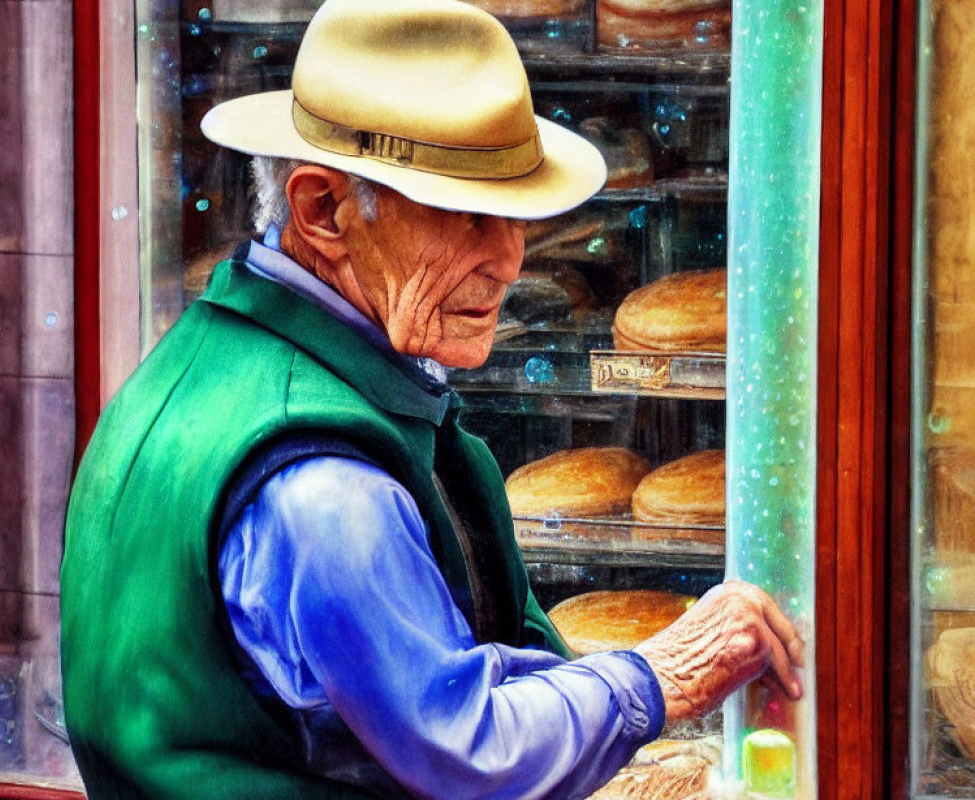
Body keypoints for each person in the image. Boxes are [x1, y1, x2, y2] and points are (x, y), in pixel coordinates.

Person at [60, 0, 804, 798]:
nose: (509, 257)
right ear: (323, 211)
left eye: (517, 215)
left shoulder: (215, 358)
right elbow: (467, 751)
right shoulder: (323, 488)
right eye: (465, 214)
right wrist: (663, 674)